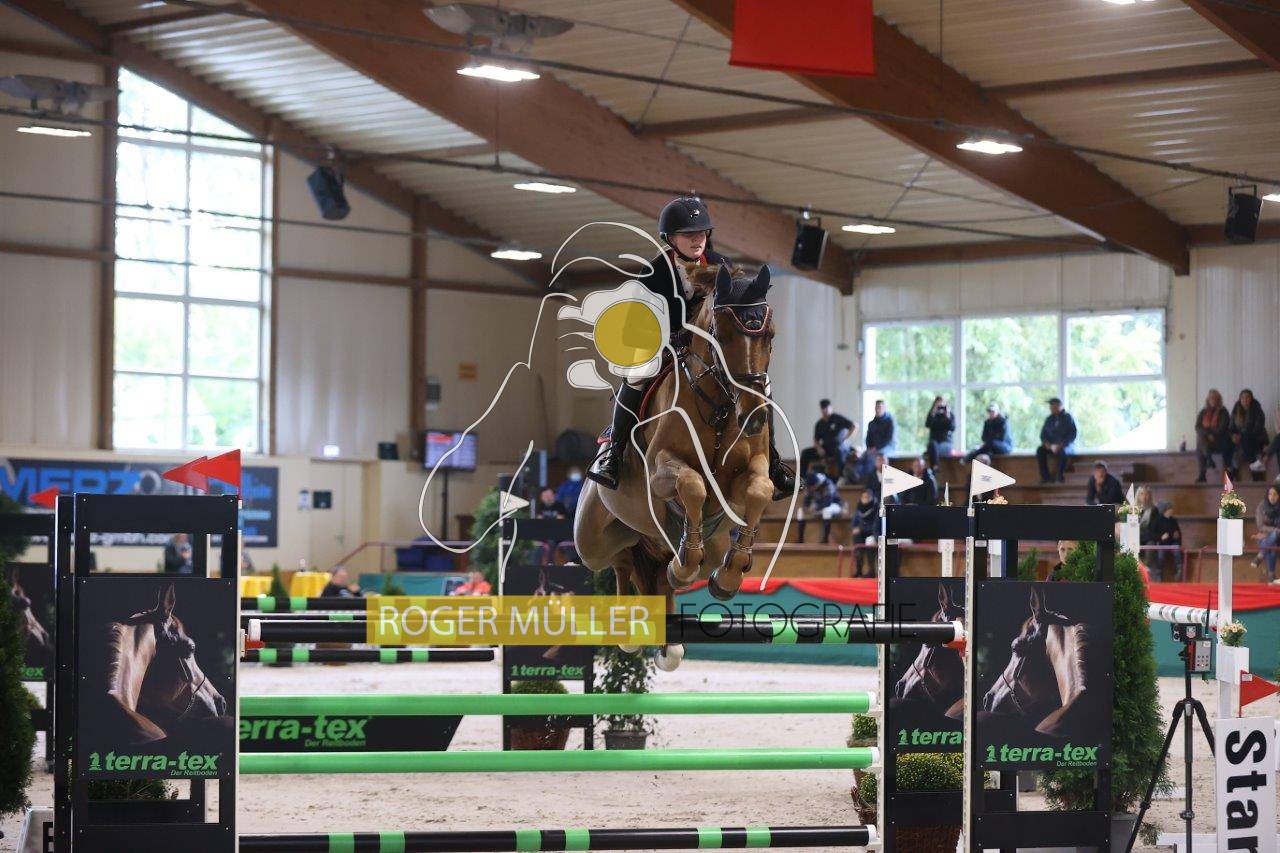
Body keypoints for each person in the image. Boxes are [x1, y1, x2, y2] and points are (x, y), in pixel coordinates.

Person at [588, 197, 794, 499]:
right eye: (688, 235)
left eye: (701, 233)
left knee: (761, 382)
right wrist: (671, 337)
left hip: (710, 349)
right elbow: (635, 326)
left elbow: (733, 311)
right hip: (662, 348)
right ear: (671, 239)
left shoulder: (722, 265)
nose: (697, 240)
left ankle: (772, 461)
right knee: (636, 374)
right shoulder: (653, 272)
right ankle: (614, 454)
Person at [799, 398, 854, 478]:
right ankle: (801, 478)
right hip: (826, 449)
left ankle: (841, 477)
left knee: (839, 450)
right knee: (805, 453)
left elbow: (854, 426)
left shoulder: (837, 418)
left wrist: (846, 439)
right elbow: (816, 440)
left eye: (827, 407)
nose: (825, 410)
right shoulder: (819, 424)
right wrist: (819, 448)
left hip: (839, 447)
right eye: (823, 408)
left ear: (830, 407)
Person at [1229, 389, 1268, 481]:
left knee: (1247, 440)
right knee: (1229, 444)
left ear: (1251, 399)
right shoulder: (1236, 410)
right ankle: (1254, 473)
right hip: (1240, 440)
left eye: (1247, 397)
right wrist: (1233, 435)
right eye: (1242, 397)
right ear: (1240, 399)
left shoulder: (1257, 410)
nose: (1245, 399)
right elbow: (1231, 428)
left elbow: (1258, 428)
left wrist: (1242, 435)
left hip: (1256, 438)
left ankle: (1235, 472)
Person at [1036, 397, 1077, 484]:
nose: (1051, 408)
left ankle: (1059, 477)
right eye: (1050, 406)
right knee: (1040, 450)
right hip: (1051, 446)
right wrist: (1046, 443)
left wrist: (1061, 445)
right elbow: (1043, 434)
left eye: (1053, 406)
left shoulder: (1068, 418)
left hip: (1064, 446)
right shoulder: (1049, 419)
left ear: (1060, 406)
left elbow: (1072, 434)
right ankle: (1046, 478)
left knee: (1064, 453)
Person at [1194, 389, 1231, 483]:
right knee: (1200, 442)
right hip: (1207, 442)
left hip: (1219, 441)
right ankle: (1208, 460)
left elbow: (1222, 429)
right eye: (1211, 398)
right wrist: (1208, 434)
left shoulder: (1223, 412)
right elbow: (1197, 427)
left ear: (1219, 399)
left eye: (1215, 398)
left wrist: (1209, 433)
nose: (1213, 400)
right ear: (1208, 399)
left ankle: (1203, 474)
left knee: (1200, 443)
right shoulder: (1203, 412)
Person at [796, 469, 843, 544]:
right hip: (818, 507)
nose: (811, 489)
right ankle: (800, 539)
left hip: (834, 504)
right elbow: (807, 499)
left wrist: (814, 509)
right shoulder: (810, 485)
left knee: (826, 511)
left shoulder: (827, 483)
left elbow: (828, 502)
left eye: (813, 487)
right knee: (800, 511)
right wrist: (805, 507)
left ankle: (825, 539)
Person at [1251, 485, 1280, 584]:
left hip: (1277, 537)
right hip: (1264, 538)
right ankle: (1271, 575)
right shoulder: (1261, 507)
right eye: (1270, 494)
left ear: (1279, 496)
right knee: (1272, 545)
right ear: (1267, 495)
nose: (1272, 497)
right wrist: (1273, 531)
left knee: (1274, 539)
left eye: (1275, 494)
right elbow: (1261, 526)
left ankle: (1260, 555)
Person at [849, 488, 879, 578]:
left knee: (870, 541)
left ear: (871, 498)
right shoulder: (859, 508)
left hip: (873, 533)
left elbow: (876, 525)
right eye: (863, 497)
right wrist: (854, 528)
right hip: (862, 533)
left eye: (867, 497)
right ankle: (859, 570)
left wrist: (861, 529)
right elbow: (854, 522)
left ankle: (871, 571)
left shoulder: (876, 508)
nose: (864, 499)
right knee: (857, 540)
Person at [1155, 500, 1183, 582]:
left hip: (1172, 542)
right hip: (1162, 543)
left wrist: (1177, 537)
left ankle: (1179, 571)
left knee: (1177, 551)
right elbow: (1152, 533)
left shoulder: (1173, 520)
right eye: (1170, 509)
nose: (1171, 510)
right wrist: (1160, 537)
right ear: (1165, 510)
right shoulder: (1158, 520)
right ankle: (1159, 574)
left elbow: (1178, 533)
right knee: (1160, 556)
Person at [923, 397, 954, 469]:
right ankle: (935, 467)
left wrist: (947, 415)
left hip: (946, 443)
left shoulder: (949, 414)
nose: (940, 408)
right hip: (934, 443)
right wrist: (933, 412)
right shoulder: (932, 414)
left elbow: (952, 428)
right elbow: (927, 424)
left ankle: (934, 468)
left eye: (942, 405)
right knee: (932, 444)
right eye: (938, 405)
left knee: (932, 448)